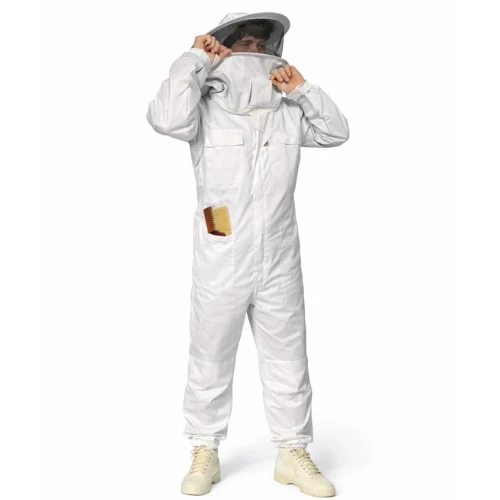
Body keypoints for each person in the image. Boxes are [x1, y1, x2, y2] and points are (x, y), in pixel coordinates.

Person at [146, 12, 350, 497]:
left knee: (288, 357)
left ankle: (292, 453)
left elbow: (336, 131)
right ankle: (205, 450)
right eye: (245, 43)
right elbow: (165, 118)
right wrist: (194, 58)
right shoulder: (203, 104)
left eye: (261, 44)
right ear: (222, 47)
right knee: (210, 355)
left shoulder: (287, 109)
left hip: (280, 254)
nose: (254, 52)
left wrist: (302, 90)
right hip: (221, 251)